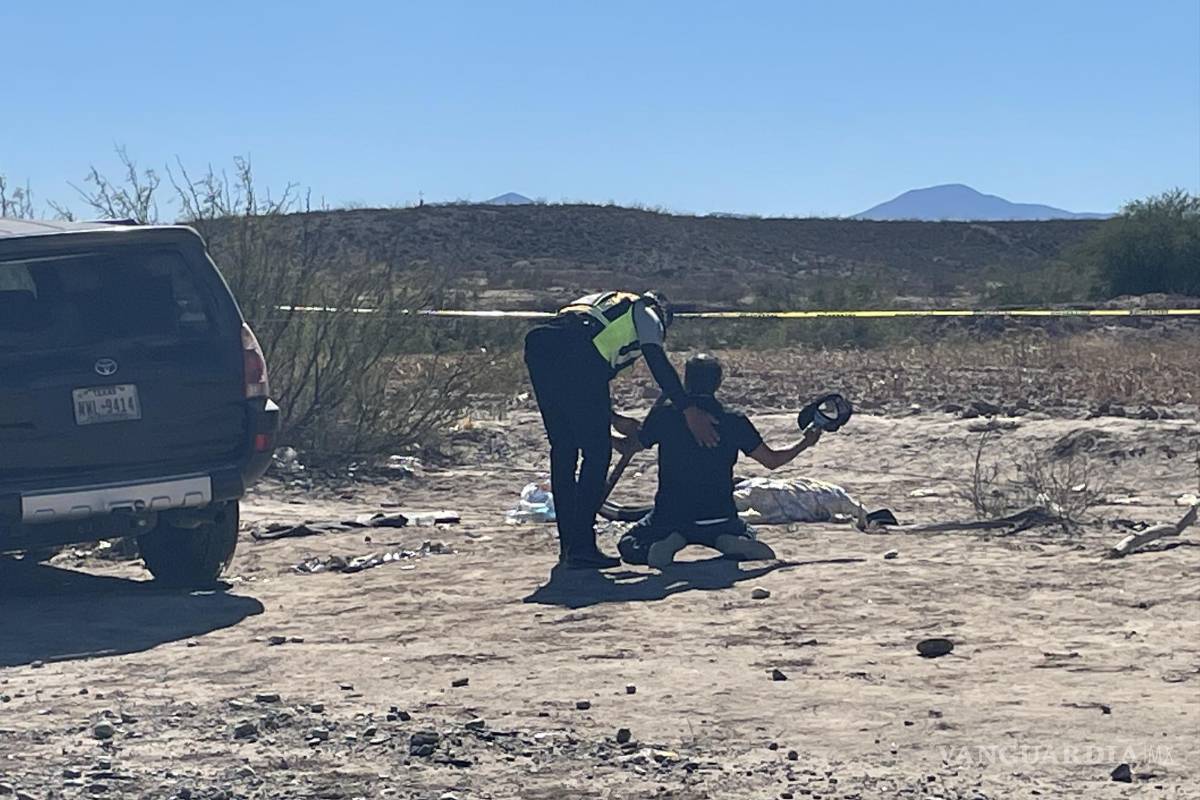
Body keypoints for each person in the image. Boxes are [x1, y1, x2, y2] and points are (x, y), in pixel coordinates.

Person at [524, 291, 719, 569]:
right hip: (575, 354)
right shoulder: (645, 311)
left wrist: (612, 419)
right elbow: (656, 359)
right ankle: (581, 547)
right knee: (597, 454)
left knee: (564, 450)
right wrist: (688, 409)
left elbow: (584, 378)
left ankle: (570, 545)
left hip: (541, 346)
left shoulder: (603, 304)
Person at [615, 353, 822, 569]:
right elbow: (772, 460)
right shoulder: (734, 419)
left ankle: (672, 540)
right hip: (719, 513)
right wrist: (804, 443)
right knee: (746, 534)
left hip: (671, 514)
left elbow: (629, 447)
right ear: (718, 383)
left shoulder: (665, 415)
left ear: (685, 382)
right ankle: (725, 541)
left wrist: (599, 426)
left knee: (628, 544)